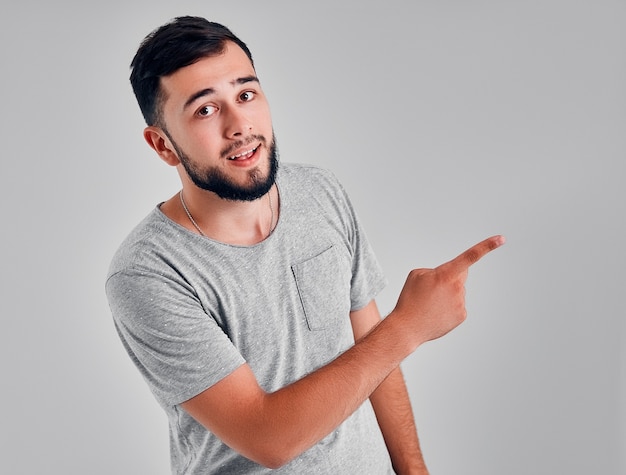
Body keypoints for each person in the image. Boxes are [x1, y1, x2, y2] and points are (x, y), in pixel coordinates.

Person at [106, 16, 505, 474]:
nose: (239, 124)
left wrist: (414, 471)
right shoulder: (148, 272)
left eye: (246, 94)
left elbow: (372, 350)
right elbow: (268, 438)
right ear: (163, 146)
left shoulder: (320, 192)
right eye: (205, 110)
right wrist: (410, 325)